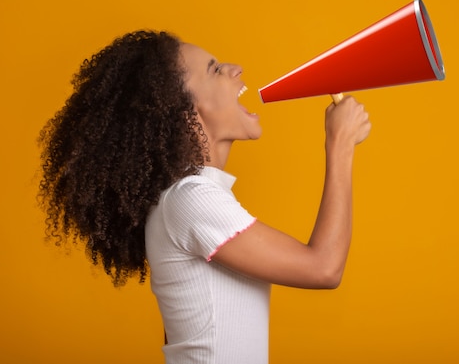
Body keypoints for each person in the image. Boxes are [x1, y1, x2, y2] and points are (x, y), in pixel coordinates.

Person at [38, 30, 371, 364]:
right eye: (214, 70)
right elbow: (324, 269)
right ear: (184, 111)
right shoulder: (192, 200)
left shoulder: (186, 199)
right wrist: (339, 144)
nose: (235, 69)